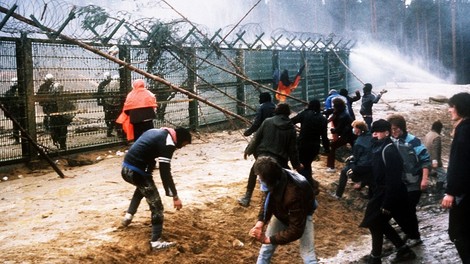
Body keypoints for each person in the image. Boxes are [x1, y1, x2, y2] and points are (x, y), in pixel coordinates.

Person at [120, 127, 192, 250]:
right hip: (137, 172)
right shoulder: (168, 143)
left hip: (126, 169)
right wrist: (174, 196)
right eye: (183, 145)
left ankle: (128, 217)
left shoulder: (157, 131)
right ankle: (156, 242)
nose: (180, 148)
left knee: (143, 189)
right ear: (180, 139)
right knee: (157, 206)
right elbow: (165, 173)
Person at [360, 119, 416, 264]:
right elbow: (373, 168)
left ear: (386, 133)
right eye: (373, 132)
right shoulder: (379, 146)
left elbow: (394, 180)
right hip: (382, 193)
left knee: (374, 222)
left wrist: (387, 204)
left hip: (390, 195)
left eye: (377, 132)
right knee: (377, 223)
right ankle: (400, 249)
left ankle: (377, 257)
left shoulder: (389, 150)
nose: (374, 135)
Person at [248, 156, 318, 264]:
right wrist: (260, 223)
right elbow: (267, 201)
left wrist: (269, 239)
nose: (258, 179)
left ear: (269, 179)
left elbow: (296, 230)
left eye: (260, 177)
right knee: (265, 250)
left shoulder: (294, 194)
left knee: (308, 254)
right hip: (281, 211)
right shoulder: (275, 175)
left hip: (303, 214)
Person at [241, 103, 302, 207]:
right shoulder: (291, 128)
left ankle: (247, 197)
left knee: (254, 171)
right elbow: (293, 150)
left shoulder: (267, 121)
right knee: (282, 180)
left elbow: (256, 138)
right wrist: (296, 165)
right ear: (288, 113)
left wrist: (248, 150)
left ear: (276, 111)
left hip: (263, 157)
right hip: (280, 161)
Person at [388, 114, 430, 247]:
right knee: (399, 210)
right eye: (391, 129)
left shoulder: (413, 141)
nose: (393, 132)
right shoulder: (390, 141)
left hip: (414, 183)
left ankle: (415, 236)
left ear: (402, 128)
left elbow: (425, 161)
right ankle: (409, 231)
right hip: (399, 183)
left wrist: (424, 180)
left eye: (396, 129)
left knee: (409, 210)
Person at [441, 92, 470, 264]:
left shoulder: (464, 130)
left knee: (458, 233)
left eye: (452, 106)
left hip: (464, 194)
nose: (450, 110)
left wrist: (451, 192)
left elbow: (459, 163)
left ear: (460, 107)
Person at [238, 92, 275, 207]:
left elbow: (257, 124)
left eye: (260, 98)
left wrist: (248, 132)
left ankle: (247, 196)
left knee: (255, 168)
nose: (259, 100)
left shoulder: (262, 108)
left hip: (263, 142)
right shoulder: (275, 107)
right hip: (274, 142)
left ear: (263, 99)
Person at [291, 99, 330, 186]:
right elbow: (324, 137)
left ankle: (307, 185)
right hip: (314, 146)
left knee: (302, 165)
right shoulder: (323, 119)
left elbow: (292, 121)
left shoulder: (305, 114)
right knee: (307, 164)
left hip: (303, 144)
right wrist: (327, 149)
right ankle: (309, 182)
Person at [335, 120, 373, 199]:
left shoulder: (358, 142)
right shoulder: (370, 135)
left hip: (363, 166)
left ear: (358, 129)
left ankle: (338, 194)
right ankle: (365, 188)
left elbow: (356, 158)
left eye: (354, 128)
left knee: (344, 171)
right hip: (372, 164)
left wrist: (350, 161)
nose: (353, 129)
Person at [325, 97, 354, 173]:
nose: (332, 107)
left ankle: (331, 167)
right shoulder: (342, 111)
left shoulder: (343, 115)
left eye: (334, 105)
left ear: (337, 106)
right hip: (350, 134)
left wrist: (332, 130)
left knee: (332, 146)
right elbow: (332, 113)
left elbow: (337, 130)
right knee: (356, 150)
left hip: (348, 135)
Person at [423, 120, 446, 194]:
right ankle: (438, 190)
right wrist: (435, 162)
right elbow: (435, 150)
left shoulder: (428, 134)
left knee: (429, 173)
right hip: (432, 160)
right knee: (443, 174)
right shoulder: (437, 137)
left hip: (425, 159)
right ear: (439, 128)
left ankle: (426, 187)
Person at [0, 77, 21, 144]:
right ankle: (23, 139)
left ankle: (17, 139)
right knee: (22, 125)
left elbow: (5, 103)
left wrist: (7, 113)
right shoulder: (22, 91)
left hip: (14, 112)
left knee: (15, 126)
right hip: (19, 111)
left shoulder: (9, 92)